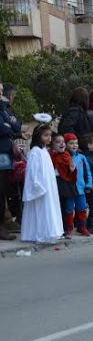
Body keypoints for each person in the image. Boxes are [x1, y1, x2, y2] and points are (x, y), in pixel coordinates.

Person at [21, 126, 63, 243]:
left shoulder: (44, 151)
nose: (49, 138)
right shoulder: (35, 152)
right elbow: (33, 172)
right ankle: (40, 233)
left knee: (48, 208)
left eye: (50, 135)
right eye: (45, 135)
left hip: (49, 185)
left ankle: (48, 232)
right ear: (38, 136)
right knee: (40, 210)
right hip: (41, 187)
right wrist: (37, 185)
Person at [0, 83, 22, 240]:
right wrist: (9, 127)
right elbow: (3, 128)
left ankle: (3, 224)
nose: (2, 94)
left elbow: (16, 125)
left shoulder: (3, 108)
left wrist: (10, 126)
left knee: (3, 191)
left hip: (5, 154)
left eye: (1, 90)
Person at [65, 133, 92, 237]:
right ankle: (69, 228)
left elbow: (87, 172)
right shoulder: (64, 157)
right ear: (66, 144)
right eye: (71, 143)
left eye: (76, 143)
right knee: (69, 208)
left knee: (82, 208)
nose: (74, 145)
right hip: (69, 189)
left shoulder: (82, 157)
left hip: (81, 188)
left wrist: (88, 184)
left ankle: (82, 227)